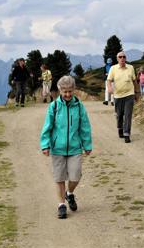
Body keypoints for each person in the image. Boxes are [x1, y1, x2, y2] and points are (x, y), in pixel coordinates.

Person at [40, 76, 93, 219]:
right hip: (58, 148)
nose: (68, 95)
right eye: (65, 92)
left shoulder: (79, 106)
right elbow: (47, 127)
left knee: (75, 176)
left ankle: (70, 193)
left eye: (70, 91)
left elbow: (85, 127)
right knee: (59, 177)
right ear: (60, 91)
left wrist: (87, 144)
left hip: (75, 147)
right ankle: (61, 205)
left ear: (74, 90)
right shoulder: (54, 107)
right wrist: (45, 145)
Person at [107, 52, 140, 143]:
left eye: (124, 57)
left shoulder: (131, 68)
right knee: (119, 115)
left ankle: (126, 134)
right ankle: (120, 128)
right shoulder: (113, 68)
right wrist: (109, 88)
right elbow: (109, 80)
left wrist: (137, 93)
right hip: (117, 95)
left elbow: (134, 81)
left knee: (128, 114)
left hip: (129, 94)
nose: (122, 58)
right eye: (120, 57)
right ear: (117, 59)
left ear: (126, 58)